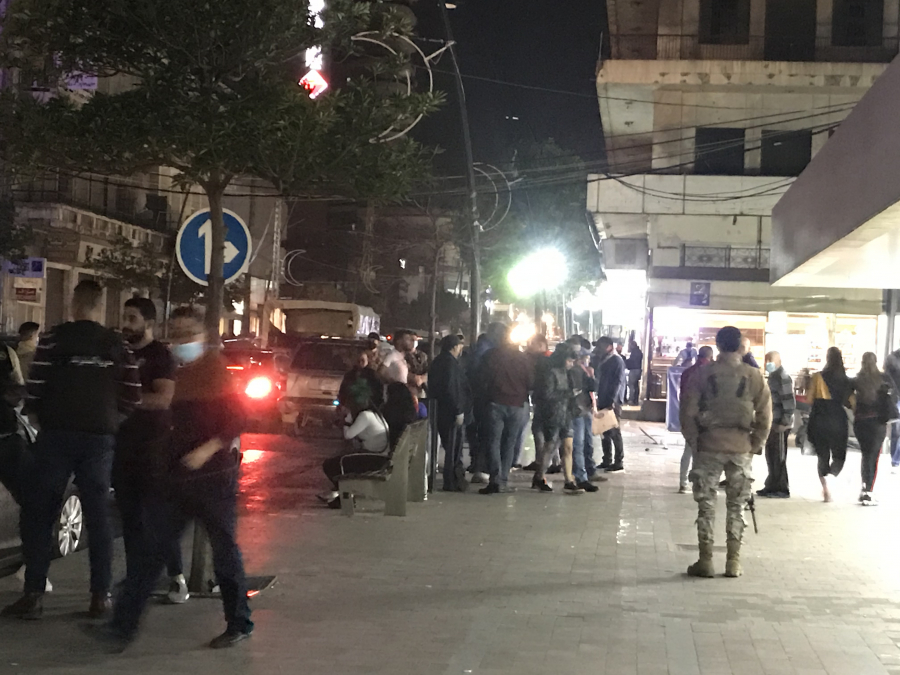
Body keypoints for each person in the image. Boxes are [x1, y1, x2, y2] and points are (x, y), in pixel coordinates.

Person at [102, 305, 251, 650]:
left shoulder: (216, 372)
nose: (182, 340)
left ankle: (239, 622)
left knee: (224, 552)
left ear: (203, 336)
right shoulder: (180, 373)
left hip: (213, 478)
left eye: (188, 333)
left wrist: (206, 450)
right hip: (175, 477)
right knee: (152, 551)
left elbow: (237, 419)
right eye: (177, 334)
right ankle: (121, 626)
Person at [3, 280, 141, 621]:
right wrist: (112, 421)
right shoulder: (116, 344)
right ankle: (100, 596)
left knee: (39, 512)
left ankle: (34, 594)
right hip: (99, 439)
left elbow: (35, 388)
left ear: (74, 304)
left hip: (56, 436)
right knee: (98, 516)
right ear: (100, 305)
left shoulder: (53, 340)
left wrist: (41, 420)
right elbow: (133, 394)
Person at [681, 326, 771, 578]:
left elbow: (688, 412)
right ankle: (733, 561)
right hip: (741, 447)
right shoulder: (754, 375)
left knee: (706, 505)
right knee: (737, 505)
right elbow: (765, 415)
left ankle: (706, 560)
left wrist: (694, 441)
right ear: (740, 346)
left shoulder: (702, 374)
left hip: (709, 445)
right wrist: (755, 443)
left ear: (718, 345)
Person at [114, 298, 186, 604]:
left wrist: (125, 400)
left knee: (156, 516)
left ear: (149, 323)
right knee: (129, 516)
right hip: (122, 445)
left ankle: (176, 577)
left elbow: (163, 398)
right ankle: (136, 577)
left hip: (153, 447)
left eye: (132, 318)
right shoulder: (119, 352)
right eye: (124, 317)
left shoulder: (160, 355)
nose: (126, 324)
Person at [480, 324, 533, 494]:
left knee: (493, 442)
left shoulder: (491, 355)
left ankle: (495, 479)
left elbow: (482, 378)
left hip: (495, 402)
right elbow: (531, 381)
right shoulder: (523, 358)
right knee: (510, 443)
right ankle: (503, 479)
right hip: (517, 404)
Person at [531, 343, 583, 494]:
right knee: (551, 446)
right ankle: (540, 476)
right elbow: (547, 394)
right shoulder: (550, 373)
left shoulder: (567, 373)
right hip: (553, 414)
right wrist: (569, 394)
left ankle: (569, 480)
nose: (571, 364)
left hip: (565, 414)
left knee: (566, 447)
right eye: (569, 361)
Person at [807, 347, 853, 502]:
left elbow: (809, 399)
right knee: (839, 455)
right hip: (838, 420)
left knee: (822, 455)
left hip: (819, 418)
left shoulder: (817, 377)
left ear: (827, 358)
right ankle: (832, 476)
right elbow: (851, 403)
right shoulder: (846, 380)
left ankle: (825, 489)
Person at [429, 335, 471, 492]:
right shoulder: (449, 364)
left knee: (451, 447)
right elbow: (452, 389)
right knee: (454, 447)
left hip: (442, 410)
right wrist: (458, 410)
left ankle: (453, 479)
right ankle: (453, 480)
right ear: (454, 347)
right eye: (460, 346)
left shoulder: (439, 362)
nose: (461, 349)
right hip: (450, 412)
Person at [466, 324, 506, 483]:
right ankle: (481, 467)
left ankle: (479, 464)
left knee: (481, 432)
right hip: (483, 396)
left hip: (480, 395)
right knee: (485, 433)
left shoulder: (483, 348)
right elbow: (479, 373)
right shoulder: (486, 350)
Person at [851, 352, 892, 505]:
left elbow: (846, 398)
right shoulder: (884, 379)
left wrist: (855, 407)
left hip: (861, 422)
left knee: (865, 454)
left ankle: (864, 487)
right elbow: (892, 398)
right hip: (877, 423)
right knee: (873, 457)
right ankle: (868, 491)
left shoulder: (856, 380)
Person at [757, 352, 795, 499]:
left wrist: (784, 422)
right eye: (766, 360)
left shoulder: (782, 377)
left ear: (779, 361)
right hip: (772, 422)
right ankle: (771, 484)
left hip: (780, 423)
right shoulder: (773, 376)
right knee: (771, 455)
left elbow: (789, 401)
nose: (767, 363)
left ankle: (781, 488)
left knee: (779, 456)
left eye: (770, 360)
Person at [678, 346, 714, 493]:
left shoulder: (687, 372)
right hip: (705, 417)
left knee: (688, 449)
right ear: (710, 357)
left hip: (688, 416)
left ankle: (683, 482)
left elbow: (682, 394)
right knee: (704, 452)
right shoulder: (711, 373)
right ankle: (699, 483)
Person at [569, 346, 605, 492]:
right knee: (578, 444)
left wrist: (591, 375)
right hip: (577, 411)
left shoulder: (584, 370)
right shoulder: (573, 371)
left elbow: (593, 387)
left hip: (585, 409)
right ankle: (580, 476)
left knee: (586, 443)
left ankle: (586, 472)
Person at [595, 336, 627, 472]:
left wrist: (612, 400)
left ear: (609, 346)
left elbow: (618, 382)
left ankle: (618, 461)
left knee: (614, 430)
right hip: (604, 399)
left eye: (601, 346)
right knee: (604, 430)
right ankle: (606, 459)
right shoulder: (605, 359)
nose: (598, 349)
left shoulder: (616, 360)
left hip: (612, 402)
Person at [883, 346, 900, 472]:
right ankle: (895, 460)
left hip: (896, 397)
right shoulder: (892, 359)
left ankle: (895, 460)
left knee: (896, 431)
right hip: (896, 398)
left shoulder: (891, 358)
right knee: (897, 431)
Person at [624, 340, 643, 406]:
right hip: (638, 369)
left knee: (631, 385)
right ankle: (636, 400)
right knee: (636, 385)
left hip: (634, 370)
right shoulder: (639, 351)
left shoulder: (634, 352)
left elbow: (632, 361)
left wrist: (625, 362)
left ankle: (631, 400)